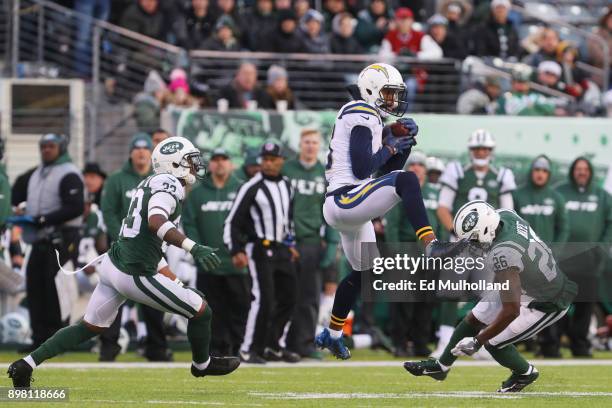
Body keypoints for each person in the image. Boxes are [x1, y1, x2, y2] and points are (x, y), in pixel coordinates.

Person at [7, 137, 240, 388]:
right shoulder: (171, 183)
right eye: (189, 161)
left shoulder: (151, 181)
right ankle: (201, 365)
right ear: (174, 165)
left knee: (89, 326)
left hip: (115, 262)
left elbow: (150, 240)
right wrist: (193, 247)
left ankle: (26, 365)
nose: (195, 166)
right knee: (201, 310)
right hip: (134, 272)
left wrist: (175, 281)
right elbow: (156, 221)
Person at [314, 63, 467, 360]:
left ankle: (332, 334)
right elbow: (363, 168)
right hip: (344, 198)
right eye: (388, 93)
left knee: (364, 274)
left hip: (348, 202)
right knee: (409, 179)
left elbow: (386, 172)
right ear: (370, 89)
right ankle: (431, 245)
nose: (393, 101)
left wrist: (400, 144)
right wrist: (391, 144)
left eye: (395, 94)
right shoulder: (361, 111)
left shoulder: (367, 115)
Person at [405, 201, 578, 393]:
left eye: (474, 239)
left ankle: (525, 373)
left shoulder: (504, 253)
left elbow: (511, 310)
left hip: (547, 300)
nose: (473, 243)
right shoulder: (504, 216)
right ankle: (441, 367)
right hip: (524, 280)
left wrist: (477, 341)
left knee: (493, 343)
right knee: (474, 317)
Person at [433, 129, 516, 359]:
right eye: (477, 149)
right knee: (451, 293)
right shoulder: (457, 171)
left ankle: (481, 342)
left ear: (491, 151)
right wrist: (457, 233)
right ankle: (444, 342)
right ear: (471, 151)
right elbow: (442, 207)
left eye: (485, 149)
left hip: (487, 246)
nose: (481, 152)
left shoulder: (501, 176)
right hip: (460, 244)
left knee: (486, 297)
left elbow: (508, 213)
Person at [224, 142, 300, 364]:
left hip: (282, 249)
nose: (268, 163)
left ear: (281, 161)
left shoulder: (288, 185)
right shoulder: (252, 187)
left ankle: (274, 346)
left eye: (272, 159)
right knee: (263, 299)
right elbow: (232, 222)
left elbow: (288, 219)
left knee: (290, 297)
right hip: (259, 248)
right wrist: (235, 249)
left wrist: (291, 243)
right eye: (264, 159)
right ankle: (248, 348)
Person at [100, 133, 172, 362]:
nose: (141, 152)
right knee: (113, 299)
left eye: (145, 149)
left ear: (151, 154)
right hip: (121, 250)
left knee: (154, 298)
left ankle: (156, 347)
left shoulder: (158, 180)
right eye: (136, 148)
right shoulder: (116, 180)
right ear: (130, 153)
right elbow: (109, 212)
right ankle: (108, 346)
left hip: (150, 250)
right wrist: (120, 238)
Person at [14, 134, 85, 352]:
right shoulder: (37, 173)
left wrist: (44, 219)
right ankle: (39, 340)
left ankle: (56, 341)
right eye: (43, 146)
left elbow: (75, 207)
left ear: (61, 148)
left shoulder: (70, 173)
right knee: (36, 287)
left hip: (61, 239)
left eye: (51, 146)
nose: (46, 150)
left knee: (55, 290)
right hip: (39, 238)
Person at [183, 148, 249, 357]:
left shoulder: (241, 189)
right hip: (209, 264)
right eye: (216, 160)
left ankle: (239, 347)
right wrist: (199, 252)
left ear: (231, 164)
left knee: (239, 308)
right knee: (212, 311)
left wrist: (243, 249)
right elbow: (190, 225)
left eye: (224, 159)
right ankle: (216, 350)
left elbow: (250, 222)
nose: (220, 163)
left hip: (236, 264)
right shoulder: (198, 193)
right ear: (210, 164)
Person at [284, 129, 339, 359]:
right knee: (285, 296)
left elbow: (333, 209)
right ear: (300, 144)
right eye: (306, 142)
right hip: (287, 242)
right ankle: (280, 342)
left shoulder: (325, 172)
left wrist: (332, 241)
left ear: (319, 146)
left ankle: (305, 343)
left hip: (313, 242)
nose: (310, 146)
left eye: (314, 142)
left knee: (309, 298)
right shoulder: (286, 169)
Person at [384, 151, 441, 357]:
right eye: (413, 164)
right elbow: (392, 226)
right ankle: (399, 343)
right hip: (407, 250)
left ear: (426, 170)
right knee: (403, 302)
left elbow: (440, 224)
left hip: (430, 252)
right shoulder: (401, 191)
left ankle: (420, 343)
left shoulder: (435, 192)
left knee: (426, 302)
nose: (416, 167)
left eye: (420, 165)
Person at [512, 155, 570, 357]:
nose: (540, 174)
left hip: (546, 261)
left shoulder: (555, 198)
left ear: (549, 174)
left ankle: (550, 346)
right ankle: (515, 343)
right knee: (517, 301)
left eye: (544, 171)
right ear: (531, 171)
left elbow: (563, 228)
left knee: (549, 301)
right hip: (521, 260)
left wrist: (555, 252)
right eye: (537, 170)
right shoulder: (518, 195)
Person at [555, 157, 612, 356]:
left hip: (590, 261)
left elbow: (610, 224)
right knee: (557, 306)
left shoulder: (603, 196)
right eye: (578, 169)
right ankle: (551, 346)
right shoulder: (559, 192)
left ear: (590, 172)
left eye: (585, 169)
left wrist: (602, 249)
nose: (582, 172)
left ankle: (580, 346)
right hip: (562, 261)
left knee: (585, 307)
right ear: (572, 171)